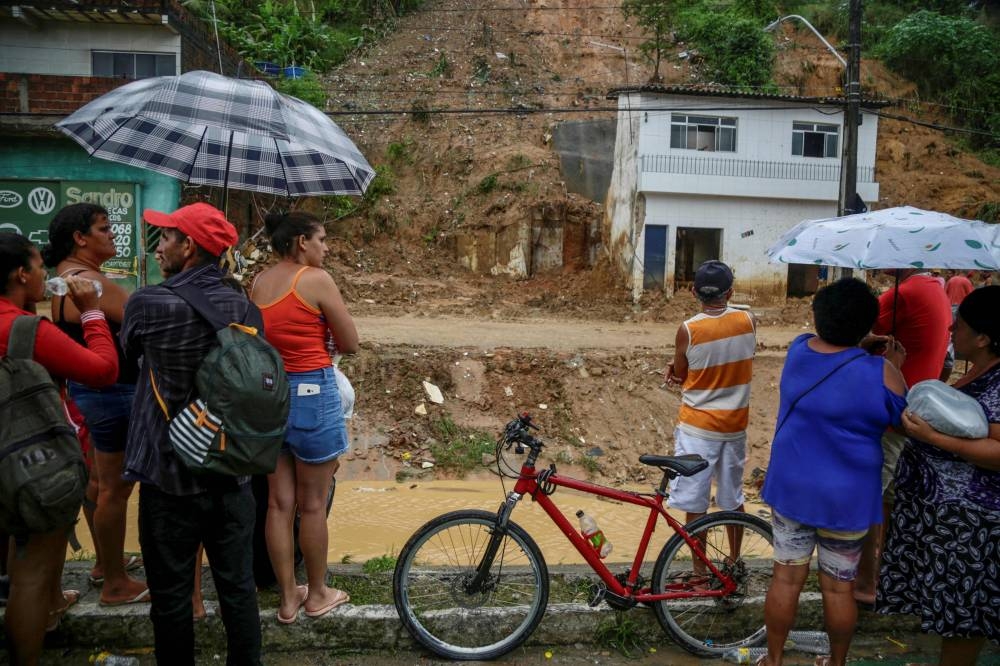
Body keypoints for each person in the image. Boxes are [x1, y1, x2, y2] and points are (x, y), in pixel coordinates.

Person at [120, 203, 262, 665]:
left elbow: (124, 365)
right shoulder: (245, 306)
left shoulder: (148, 302)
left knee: (172, 597)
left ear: (190, 246)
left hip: (169, 475)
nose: (159, 246)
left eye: (166, 237)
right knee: (238, 591)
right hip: (233, 472)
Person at [760, 278, 907, 666]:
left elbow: (831, 354)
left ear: (818, 316)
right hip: (848, 500)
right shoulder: (881, 373)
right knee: (839, 591)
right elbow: (903, 421)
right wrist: (893, 365)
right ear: (866, 325)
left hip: (792, 490)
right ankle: (836, 662)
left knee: (786, 579)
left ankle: (773, 659)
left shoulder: (797, 351)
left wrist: (859, 342)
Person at [0, 231, 118, 665]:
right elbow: (102, 370)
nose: (45, 274)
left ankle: (51, 602)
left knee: (21, 538)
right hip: (29, 457)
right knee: (31, 571)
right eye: (37, 268)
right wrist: (91, 314)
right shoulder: (26, 329)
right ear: (21, 274)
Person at [878, 285, 1000, 666]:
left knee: (966, 619)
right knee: (956, 617)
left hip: (972, 527)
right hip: (948, 521)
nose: (950, 332)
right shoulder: (978, 371)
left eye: (959, 326)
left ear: (983, 337)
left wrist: (932, 437)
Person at [250, 211, 358, 623]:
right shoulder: (315, 280)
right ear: (301, 243)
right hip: (312, 393)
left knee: (279, 504)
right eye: (322, 239)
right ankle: (316, 593)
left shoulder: (259, 281)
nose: (326, 248)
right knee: (312, 505)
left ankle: (286, 599)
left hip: (269, 395)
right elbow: (350, 342)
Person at [42, 203, 148, 606]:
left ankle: (107, 563)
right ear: (80, 238)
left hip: (91, 392)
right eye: (104, 229)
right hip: (112, 391)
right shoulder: (88, 282)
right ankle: (116, 584)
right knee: (115, 489)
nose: (112, 234)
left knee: (100, 483)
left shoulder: (67, 278)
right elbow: (144, 318)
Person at [854, 267, 951, 606]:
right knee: (891, 498)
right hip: (915, 412)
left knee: (868, 498)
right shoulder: (935, 288)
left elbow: (851, 329)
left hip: (891, 415)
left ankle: (865, 583)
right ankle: (891, 572)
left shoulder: (902, 295)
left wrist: (866, 346)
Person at [664, 260, 755, 529]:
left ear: (693, 292)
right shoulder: (749, 321)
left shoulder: (688, 330)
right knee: (733, 499)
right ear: (730, 292)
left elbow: (681, 376)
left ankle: (698, 569)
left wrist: (676, 366)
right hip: (735, 427)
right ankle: (733, 562)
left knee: (695, 503)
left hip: (698, 429)